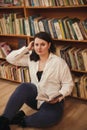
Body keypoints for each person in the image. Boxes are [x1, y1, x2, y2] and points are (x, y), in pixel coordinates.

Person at [0, 32, 74, 130]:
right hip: (36, 98)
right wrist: (27, 48)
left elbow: (68, 84)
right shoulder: (31, 59)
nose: (39, 48)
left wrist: (59, 95)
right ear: (33, 45)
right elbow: (10, 58)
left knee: (51, 118)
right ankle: (4, 120)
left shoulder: (59, 63)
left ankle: (22, 119)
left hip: (52, 101)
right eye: (36, 44)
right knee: (25, 87)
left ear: (49, 45)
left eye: (42, 44)